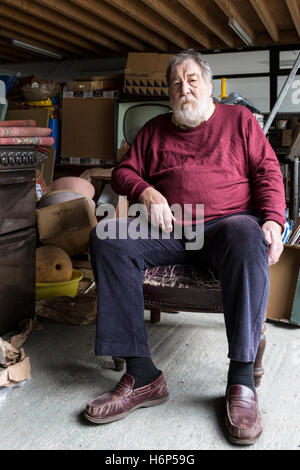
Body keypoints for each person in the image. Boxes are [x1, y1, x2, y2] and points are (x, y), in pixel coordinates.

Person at [85, 50, 286, 445]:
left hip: (227, 226)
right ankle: (143, 375)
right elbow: (123, 171)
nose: (184, 88)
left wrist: (274, 220)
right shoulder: (156, 129)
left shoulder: (240, 121)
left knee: (248, 236)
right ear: (169, 92)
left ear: (209, 86)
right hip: (170, 227)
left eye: (192, 80)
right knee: (107, 238)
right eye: (176, 83)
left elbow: (268, 171)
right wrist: (145, 191)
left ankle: (242, 381)